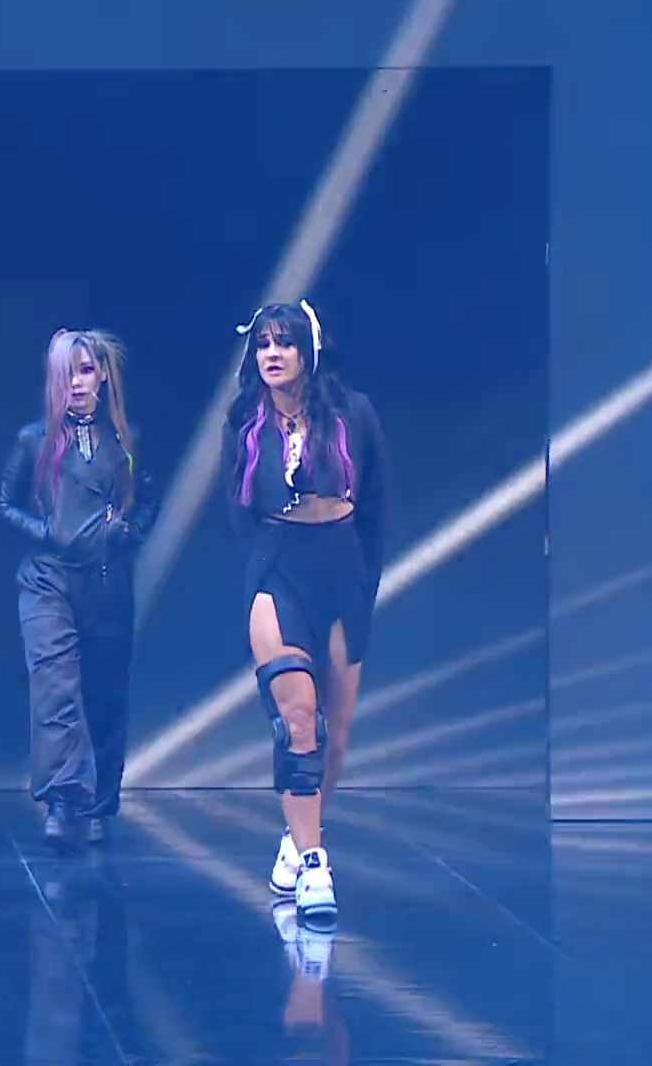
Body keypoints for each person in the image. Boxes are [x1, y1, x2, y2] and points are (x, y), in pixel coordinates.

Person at [219, 300, 386, 927]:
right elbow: (236, 511)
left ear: (308, 351)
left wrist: (363, 582)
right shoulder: (244, 421)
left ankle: (297, 838)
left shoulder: (353, 413)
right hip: (276, 568)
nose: (272, 354)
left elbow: (376, 507)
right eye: (263, 343)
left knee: (334, 739)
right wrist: (268, 558)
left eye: (284, 343)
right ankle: (316, 865)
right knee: (297, 719)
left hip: (341, 569)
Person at [0, 329, 158, 848]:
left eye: (86, 370)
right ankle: (62, 799)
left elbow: (148, 500)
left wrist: (127, 533)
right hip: (47, 580)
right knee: (55, 686)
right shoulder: (34, 440)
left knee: (105, 694)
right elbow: (5, 504)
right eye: (67, 373)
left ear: (103, 375)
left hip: (107, 583)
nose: (77, 383)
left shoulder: (126, 440)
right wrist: (49, 533)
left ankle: (100, 802)